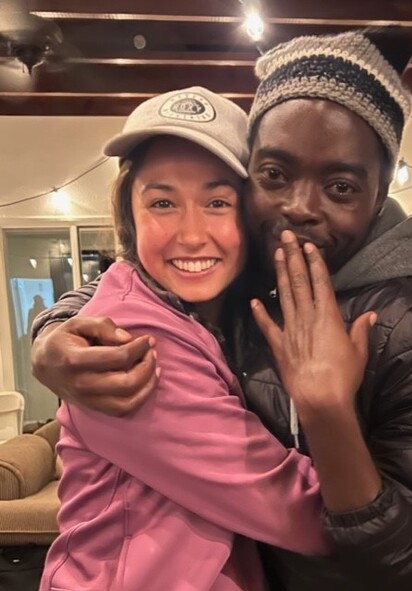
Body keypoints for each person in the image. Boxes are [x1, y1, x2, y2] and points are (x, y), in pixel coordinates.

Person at [32, 28, 412, 591]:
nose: (299, 208)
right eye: (274, 175)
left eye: (341, 186)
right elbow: (139, 287)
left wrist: (328, 414)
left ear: (379, 197)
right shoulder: (249, 276)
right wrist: (53, 332)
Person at [38, 86, 342, 591]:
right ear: (130, 216)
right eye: (163, 202)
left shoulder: (220, 310)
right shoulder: (132, 340)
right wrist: (397, 522)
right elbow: (302, 514)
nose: (192, 234)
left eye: (217, 202)